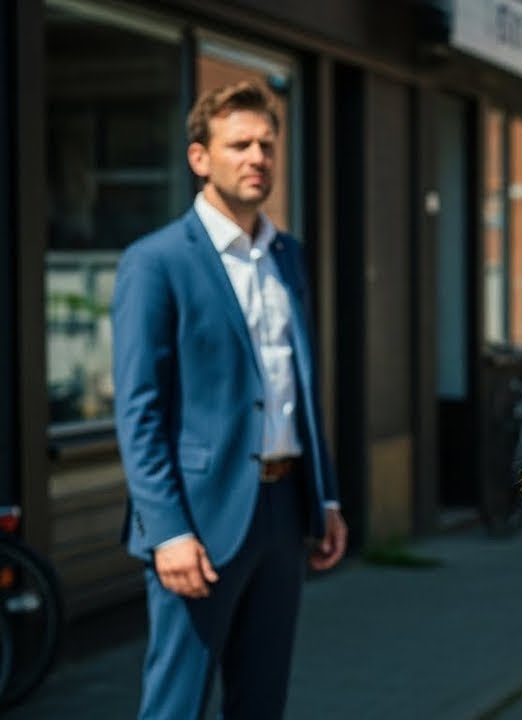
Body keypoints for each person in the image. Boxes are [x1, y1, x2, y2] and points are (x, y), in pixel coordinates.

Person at [112, 80, 348, 720]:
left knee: (261, 701)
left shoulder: (288, 256)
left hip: (284, 509)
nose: (256, 158)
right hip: (200, 519)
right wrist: (168, 532)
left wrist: (324, 497)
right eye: (238, 144)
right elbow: (138, 411)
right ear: (199, 157)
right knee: (177, 703)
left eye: (266, 145)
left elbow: (297, 388)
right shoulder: (155, 263)